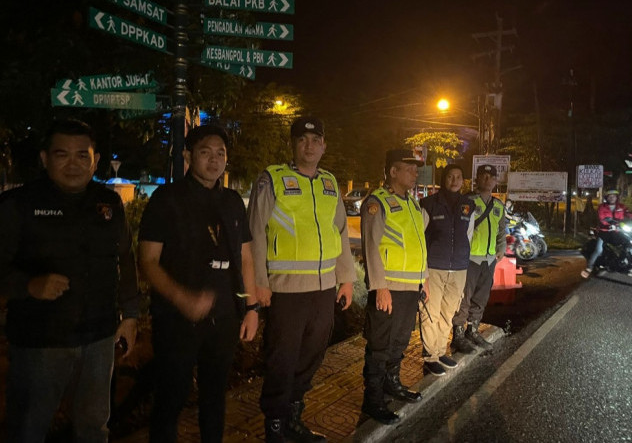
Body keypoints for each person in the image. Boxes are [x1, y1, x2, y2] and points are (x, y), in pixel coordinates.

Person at [0, 119, 140, 442]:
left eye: (82, 155)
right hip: (40, 342)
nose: (74, 164)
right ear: (44, 158)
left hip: (99, 339)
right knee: (28, 430)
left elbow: (126, 259)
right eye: (62, 155)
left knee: (94, 429)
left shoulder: (109, 204)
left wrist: (131, 315)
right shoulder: (18, 206)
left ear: (96, 160)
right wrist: (29, 285)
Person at [138, 125, 259, 443]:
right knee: (170, 398)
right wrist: (183, 299)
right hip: (176, 318)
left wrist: (251, 307)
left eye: (221, 153)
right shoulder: (167, 199)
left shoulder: (233, 201)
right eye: (206, 152)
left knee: (215, 397)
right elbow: (147, 261)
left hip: (225, 317)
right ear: (188, 156)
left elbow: (245, 258)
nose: (215, 160)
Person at [248, 116, 354, 443]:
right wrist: (259, 283)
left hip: (322, 289)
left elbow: (340, 233)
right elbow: (254, 234)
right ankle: (275, 427)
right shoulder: (272, 179)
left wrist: (347, 279)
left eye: (315, 140)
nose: (309, 146)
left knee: (312, 354)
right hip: (285, 290)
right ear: (293, 144)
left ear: (324, 145)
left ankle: (293, 416)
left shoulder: (329, 184)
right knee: (282, 357)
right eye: (302, 140)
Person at [360, 149, 429, 425]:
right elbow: (371, 247)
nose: (415, 173)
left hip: (410, 287)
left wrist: (423, 281)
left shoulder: (412, 204)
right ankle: (373, 400)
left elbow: (417, 246)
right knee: (379, 345)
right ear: (393, 172)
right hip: (388, 288)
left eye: (415, 169)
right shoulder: (378, 203)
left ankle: (392, 383)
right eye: (409, 169)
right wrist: (380, 287)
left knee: (399, 340)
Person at [419, 164, 476, 375]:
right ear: (444, 179)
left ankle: (441, 351)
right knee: (430, 312)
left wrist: (463, 261)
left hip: (459, 268)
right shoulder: (429, 204)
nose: (454, 180)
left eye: (458, 177)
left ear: (463, 181)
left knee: (448, 313)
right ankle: (430, 356)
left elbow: (467, 236)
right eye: (450, 176)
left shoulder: (468, 206)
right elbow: (420, 238)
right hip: (434, 267)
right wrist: (422, 270)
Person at [451, 164, 506, 352]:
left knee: (481, 298)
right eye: (483, 176)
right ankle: (457, 335)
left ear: (496, 181)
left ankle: (472, 330)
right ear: (477, 179)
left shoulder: (498, 206)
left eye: (491, 177)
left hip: (489, 260)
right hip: (470, 259)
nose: (487, 180)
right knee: (464, 297)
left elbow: (501, 231)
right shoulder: (467, 201)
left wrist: (501, 248)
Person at [581, 189, 632, 278]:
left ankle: (629, 266)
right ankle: (589, 268)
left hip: (618, 231)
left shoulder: (621, 207)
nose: (612, 198)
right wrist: (609, 225)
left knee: (629, 245)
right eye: (610, 196)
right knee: (598, 250)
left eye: (614, 196)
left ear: (617, 197)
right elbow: (602, 218)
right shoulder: (602, 207)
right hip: (604, 232)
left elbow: (630, 214)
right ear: (607, 198)